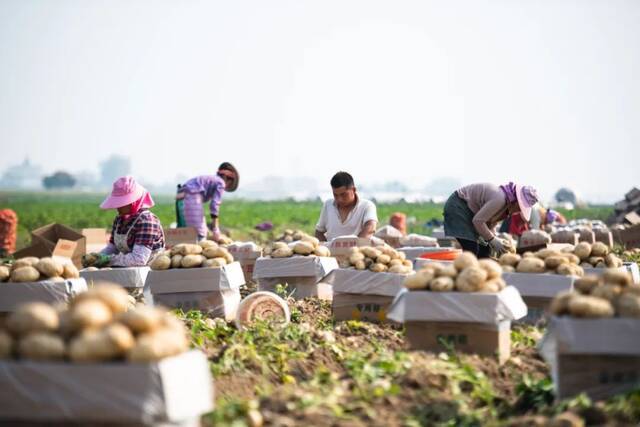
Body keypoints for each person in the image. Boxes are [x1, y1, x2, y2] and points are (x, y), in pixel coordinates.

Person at [443, 182, 539, 258]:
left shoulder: (507, 207)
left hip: (472, 213)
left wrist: (495, 239)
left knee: (485, 249)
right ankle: (465, 276)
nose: (519, 211)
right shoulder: (499, 199)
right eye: (520, 207)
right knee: (471, 249)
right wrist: (492, 240)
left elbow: (490, 223)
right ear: (517, 201)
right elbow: (478, 221)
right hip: (459, 207)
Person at [88, 176, 165, 267]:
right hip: (127, 271)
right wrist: (96, 257)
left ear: (133, 202)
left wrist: (108, 260)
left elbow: (138, 259)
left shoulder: (146, 221)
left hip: (148, 273)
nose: (118, 207)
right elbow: (112, 248)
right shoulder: (119, 219)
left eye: (122, 203)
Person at [179, 162, 239, 241]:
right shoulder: (221, 183)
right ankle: (199, 243)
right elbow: (215, 204)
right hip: (192, 194)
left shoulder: (213, 179)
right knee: (199, 230)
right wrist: (215, 228)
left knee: (198, 227)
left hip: (186, 193)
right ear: (227, 179)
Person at [315, 171, 378, 242]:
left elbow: (370, 228)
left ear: (354, 190)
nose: (339, 199)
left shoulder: (367, 206)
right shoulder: (328, 205)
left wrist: (356, 246)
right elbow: (319, 231)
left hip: (358, 251)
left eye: (343, 195)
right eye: (335, 195)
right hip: (331, 251)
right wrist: (325, 247)